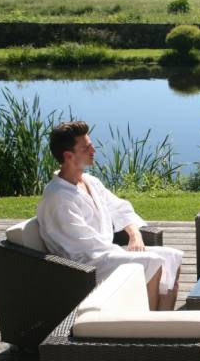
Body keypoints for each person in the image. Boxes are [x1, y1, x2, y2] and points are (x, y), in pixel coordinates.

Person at [37, 121, 183, 311]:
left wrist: (134, 235)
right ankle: (148, 325)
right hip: (85, 267)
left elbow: (119, 207)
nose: (93, 150)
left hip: (107, 254)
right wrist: (124, 253)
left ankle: (163, 322)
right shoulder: (58, 197)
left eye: (91, 145)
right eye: (86, 148)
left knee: (172, 257)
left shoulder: (89, 181)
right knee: (152, 262)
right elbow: (84, 245)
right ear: (68, 156)